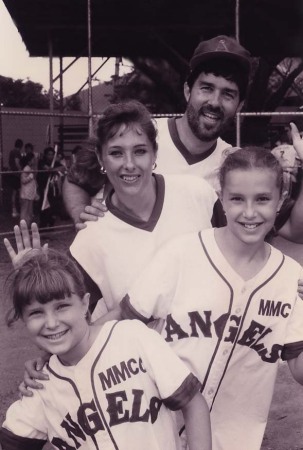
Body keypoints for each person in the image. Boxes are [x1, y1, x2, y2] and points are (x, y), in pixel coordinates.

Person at [62, 35, 303, 243]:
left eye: (228, 94)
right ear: (188, 91)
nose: (214, 103)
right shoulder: (138, 137)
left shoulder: (237, 164)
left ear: (239, 105)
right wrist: (81, 215)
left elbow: (294, 230)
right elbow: (75, 179)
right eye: (206, 88)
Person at [0, 247, 211, 450]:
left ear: (84, 304)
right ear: (24, 320)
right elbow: (11, 441)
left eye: (62, 307)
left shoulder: (132, 337)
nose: (52, 322)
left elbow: (193, 403)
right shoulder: (40, 385)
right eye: (36, 313)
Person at [37, 146, 66, 229]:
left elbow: (63, 168)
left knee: (52, 207)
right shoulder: (41, 162)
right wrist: (53, 169)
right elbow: (47, 169)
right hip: (43, 188)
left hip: (52, 189)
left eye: (52, 154)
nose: (51, 156)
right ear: (45, 155)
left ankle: (50, 224)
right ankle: (43, 226)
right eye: (49, 154)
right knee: (43, 207)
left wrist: (54, 169)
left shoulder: (55, 163)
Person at [20, 153, 38, 226]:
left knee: (29, 212)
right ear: (29, 161)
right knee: (25, 212)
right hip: (25, 194)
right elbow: (23, 180)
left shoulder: (30, 168)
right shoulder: (26, 168)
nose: (34, 161)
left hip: (29, 194)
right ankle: (23, 226)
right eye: (33, 159)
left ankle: (26, 226)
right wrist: (30, 177)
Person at [8, 138, 23, 218]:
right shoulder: (17, 152)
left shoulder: (11, 152)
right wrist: (21, 171)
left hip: (12, 173)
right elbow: (17, 163)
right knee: (20, 192)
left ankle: (14, 210)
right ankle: (21, 209)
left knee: (13, 193)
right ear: (21, 146)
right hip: (16, 175)